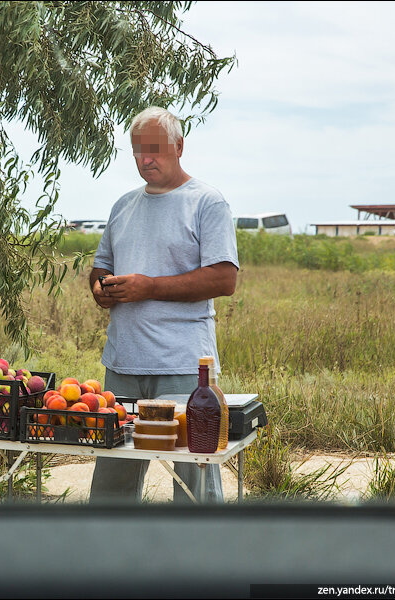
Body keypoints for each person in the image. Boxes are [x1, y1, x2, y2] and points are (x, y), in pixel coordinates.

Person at [88, 106, 239, 503]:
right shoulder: (123, 205)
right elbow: (101, 265)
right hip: (122, 366)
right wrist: (100, 287)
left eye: (154, 149)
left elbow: (224, 279)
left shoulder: (207, 202)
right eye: (138, 151)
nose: (146, 159)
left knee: (194, 480)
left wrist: (148, 286)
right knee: (113, 481)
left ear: (179, 146)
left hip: (183, 370)